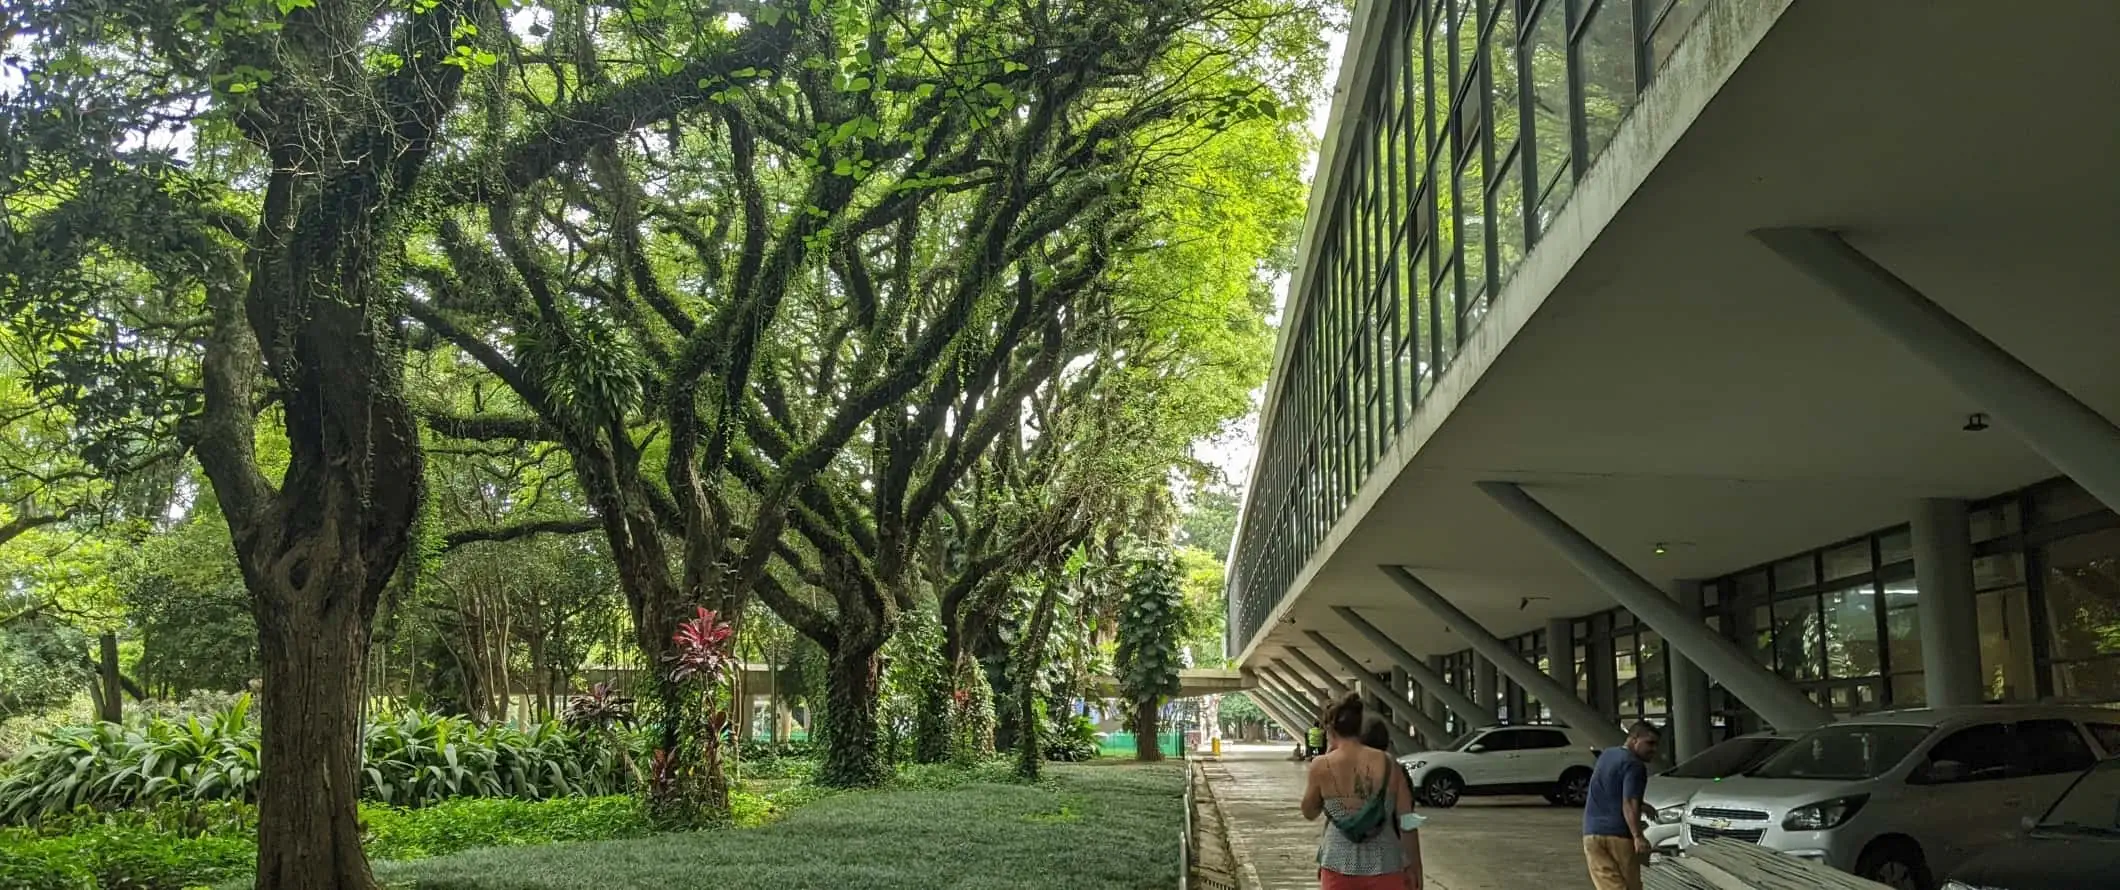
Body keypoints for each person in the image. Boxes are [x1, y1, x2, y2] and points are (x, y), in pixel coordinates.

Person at [1301, 694, 1423, 890]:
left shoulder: (1321, 765)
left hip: (1336, 863)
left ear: (1330, 730)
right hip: (1386, 863)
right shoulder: (1389, 762)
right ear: (1359, 728)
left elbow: (1309, 812)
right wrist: (1415, 866)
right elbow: (1408, 820)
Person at [1582, 722, 1661, 890]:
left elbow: (1610, 788)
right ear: (1634, 739)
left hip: (1591, 834)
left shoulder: (1607, 754)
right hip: (1618, 836)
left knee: (1608, 886)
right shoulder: (1635, 765)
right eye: (1650, 743)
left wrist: (1642, 805)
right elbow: (1629, 802)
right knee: (1630, 886)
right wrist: (1637, 836)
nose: (1654, 749)